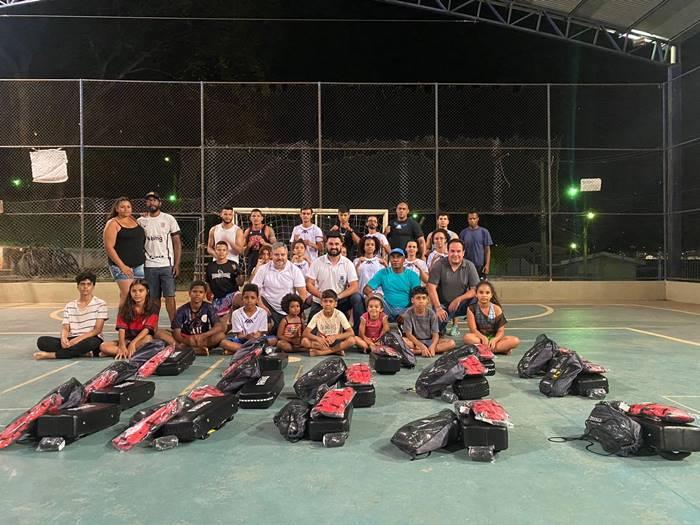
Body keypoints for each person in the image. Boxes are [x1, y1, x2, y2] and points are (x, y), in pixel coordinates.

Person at [34, 271, 109, 360]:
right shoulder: (70, 305)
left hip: (90, 338)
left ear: (93, 286)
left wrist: (77, 340)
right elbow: (66, 328)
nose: (85, 287)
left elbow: (97, 330)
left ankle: (53, 355)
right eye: (82, 284)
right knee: (42, 341)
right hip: (72, 339)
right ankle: (81, 353)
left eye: (89, 284)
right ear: (77, 286)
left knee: (92, 343)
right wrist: (63, 339)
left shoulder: (100, 304)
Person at [306, 232, 364, 335]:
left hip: (340, 301)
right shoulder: (317, 262)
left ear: (341, 244)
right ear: (326, 244)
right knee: (312, 335)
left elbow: (354, 286)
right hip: (321, 302)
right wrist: (321, 296)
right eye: (331, 244)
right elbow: (309, 284)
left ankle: (357, 334)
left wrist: (337, 297)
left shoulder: (348, 263)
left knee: (357, 298)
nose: (334, 247)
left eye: (337, 244)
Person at [137, 191, 182, 323]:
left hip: (166, 265)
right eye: (149, 200)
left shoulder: (169, 219)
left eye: (154, 200)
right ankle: (153, 327)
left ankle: (175, 327)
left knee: (170, 297)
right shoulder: (141, 221)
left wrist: (177, 264)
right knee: (153, 299)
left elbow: (177, 242)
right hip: (149, 266)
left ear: (160, 203)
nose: (152, 202)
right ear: (146, 203)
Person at [427, 239, 480, 335]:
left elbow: (475, 289)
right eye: (452, 251)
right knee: (434, 332)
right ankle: (441, 328)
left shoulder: (469, 266)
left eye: (458, 251)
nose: (455, 254)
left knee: (480, 298)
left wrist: (459, 299)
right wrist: (438, 308)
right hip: (442, 305)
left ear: (463, 253)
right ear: (448, 251)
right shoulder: (439, 265)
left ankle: (479, 333)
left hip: (461, 304)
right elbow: (431, 287)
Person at [251, 242, 307, 331]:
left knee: (290, 335)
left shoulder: (294, 270)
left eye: (282, 255)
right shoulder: (263, 269)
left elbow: (303, 294)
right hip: (268, 306)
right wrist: (262, 306)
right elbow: (254, 290)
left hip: (288, 308)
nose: (280, 257)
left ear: (287, 255)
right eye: (276, 255)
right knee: (267, 330)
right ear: (271, 255)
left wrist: (294, 311)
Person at [100, 279, 159, 359]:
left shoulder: (153, 307)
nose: (137, 294)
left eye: (141, 291)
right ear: (130, 292)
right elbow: (121, 329)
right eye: (134, 291)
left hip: (141, 339)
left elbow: (147, 329)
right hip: (127, 340)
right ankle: (128, 352)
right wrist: (122, 345)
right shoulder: (124, 307)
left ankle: (122, 353)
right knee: (103, 346)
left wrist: (133, 343)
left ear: (147, 291)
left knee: (148, 339)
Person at [103, 196, 146, 306]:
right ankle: (122, 322)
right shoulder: (113, 223)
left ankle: (136, 322)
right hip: (122, 267)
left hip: (139, 265)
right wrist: (122, 266)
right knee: (127, 295)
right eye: (122, 207)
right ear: (117, 209)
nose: (126, 209)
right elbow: (109, 247)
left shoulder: (133, 219)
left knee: (139, 297)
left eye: (128, 207)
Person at [364, 248, 420, 322]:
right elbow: (366, 289)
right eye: (393, 257)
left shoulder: (412, 275)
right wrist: (374, 298)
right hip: (387, 308)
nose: (395, 259)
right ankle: (372, 326)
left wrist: (406, 313)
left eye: (398, 257)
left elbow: (418, 296)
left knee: (420, 301)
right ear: (390, 259)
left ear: (403, 259)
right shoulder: (383, 273)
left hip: (406, 309)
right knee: (372, 297)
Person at [463, 281, 520, 355]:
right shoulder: (471, 309)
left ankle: (482, 350)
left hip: (494, 339)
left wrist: (495, 340)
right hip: (479, 338)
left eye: (487, 293)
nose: (484, 295)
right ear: (476, 294)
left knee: (515, 340)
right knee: (467, 337)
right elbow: (473, 329)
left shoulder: (497, 309)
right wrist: (483, 338)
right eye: (481, 292)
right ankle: (499, 350)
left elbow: (500, 331)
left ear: (491, 295)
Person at [171, 280, 225, 356]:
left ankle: (189, 349)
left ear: (204, 294)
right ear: (189, 293)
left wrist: (203, 335)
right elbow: (176, 333)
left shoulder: (209, 307)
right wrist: (189, 340)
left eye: (201, 292)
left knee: (221, 335)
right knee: (162, 334)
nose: (197, 294)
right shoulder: (181, 310)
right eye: (194, 291)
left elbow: (218, 326)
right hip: (187, 338)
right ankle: (198, 349)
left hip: (203, 338)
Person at [221, 283, 275, 354]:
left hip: (258, 340)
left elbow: (261, 333)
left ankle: (240, 350)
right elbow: (239, 335)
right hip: (243, 340)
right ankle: (254, 350)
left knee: (274, 339)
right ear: (242, 298)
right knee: (223, 342)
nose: (249, 300)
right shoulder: (236, 313)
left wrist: (255, 336)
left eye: (252, 298)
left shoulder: (262, 312)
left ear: (257, 300)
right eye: (246, 298)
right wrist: (247, 336)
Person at [402, 286, 456, 357]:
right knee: (402, 340)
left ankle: (418, 352)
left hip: (430, 341)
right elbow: (409, 334)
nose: (421, 301)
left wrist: (433, 346)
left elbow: (435, 334)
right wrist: (421, 345)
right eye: (418, 298)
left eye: (424, 298)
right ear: (412, 300)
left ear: (427, 300)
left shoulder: (432, 314)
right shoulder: (408, 314)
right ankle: (426, 351)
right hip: (415, 342)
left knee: (451, 343)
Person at [301, 289, 356, 356]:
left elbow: (351, 332)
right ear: (321, 303)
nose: (328, 304)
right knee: (304, 341)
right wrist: (318, 339)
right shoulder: (317, 316)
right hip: (322, 342)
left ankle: (322, 352)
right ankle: (336, 351)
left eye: (330, 301)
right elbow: (305, 333)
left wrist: (335, 337)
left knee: (352, 340)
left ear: (335, 304)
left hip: (336, 341)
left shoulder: (339, 314)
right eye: (325, 301)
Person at [206, 240, 243, 319]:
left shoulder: (233, 264)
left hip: (232, 294)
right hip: (218, 298)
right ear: (215, 251)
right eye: (219, 250)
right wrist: (209, 294)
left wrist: (237, 272)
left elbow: (240, 283)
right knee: (222, 321)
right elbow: (208, 283)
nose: (221, 252)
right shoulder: (210, 266)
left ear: (227, 252)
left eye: (224, 250)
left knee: (241, 297)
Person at [459, 211, 493, 278]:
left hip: (480, 266)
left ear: (478, 219)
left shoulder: (484, 232)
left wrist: (487, 265)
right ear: (468, 219)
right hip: (467, 265)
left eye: (474, 218)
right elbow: (460, 250)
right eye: (470, 219)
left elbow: (487, 250)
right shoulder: (463, 233)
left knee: (480, 286)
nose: (472, 220)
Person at [243, 208, 276, 275]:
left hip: (266, 259)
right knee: (252, 280)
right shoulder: (247, 231)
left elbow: (276, 247)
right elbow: (244, 253)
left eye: (258, 216)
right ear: (250, 218)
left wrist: (265, 244)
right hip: (252, 260)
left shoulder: (268, 230)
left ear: (262, 218)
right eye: (254, 216)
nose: (256, 218)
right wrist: (248, 246)